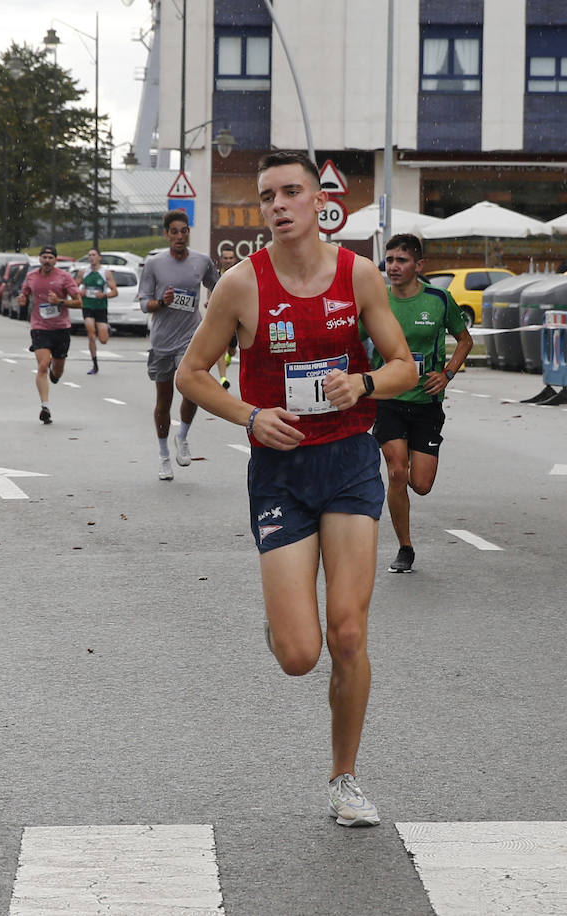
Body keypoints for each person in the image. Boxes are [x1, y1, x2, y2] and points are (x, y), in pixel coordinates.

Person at [176, 151, 417, 828]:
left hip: (346, 463)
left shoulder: (359, 275)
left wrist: (363, 384)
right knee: (300, 654)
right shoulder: (241, 285)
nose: (277, 205)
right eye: (266, 196)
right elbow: (191, 375)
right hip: (280, 473)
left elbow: (402, 364)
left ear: (319, 204)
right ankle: (284, 627)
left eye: (290, 192)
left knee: (347, 633)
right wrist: (251, 416)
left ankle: (344, 779)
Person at [370, 234, 473, 574]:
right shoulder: (376, 300)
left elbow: (464, 340)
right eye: (390, 260)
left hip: (426, 401)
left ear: (419, 265)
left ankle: (410, 483)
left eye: (401, 260)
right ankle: (405, 547)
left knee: (422, 484)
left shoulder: (439, 299)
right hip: (388, 400)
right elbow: (351, 339)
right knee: (397, 471)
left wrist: (447, 374)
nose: (393, 266)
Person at [137, 210, 220, 480]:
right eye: (174, 231)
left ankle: (182, 436)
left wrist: (213, 301)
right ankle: (163, 457)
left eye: (184, 231)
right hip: (162, 341)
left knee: (192, 391)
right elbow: (143, 304)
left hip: (191, 338)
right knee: (164, 401)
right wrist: (162, 301)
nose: (180, 236)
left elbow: (217, 286)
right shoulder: (154, 264)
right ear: (166, 234)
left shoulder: (201, 261)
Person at [17, 245, 82, 424]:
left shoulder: (64, 277)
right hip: (40, 327)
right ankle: (45, 406)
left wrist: (59, 301)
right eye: (44, 257)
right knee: (43, 365)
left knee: (57, 369)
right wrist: (22, 300)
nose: (47, 260)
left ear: (55, 260)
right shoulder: (31, 277)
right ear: (39, 259)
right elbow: (24, 294)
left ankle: (56, 374)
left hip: (61, 328)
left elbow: (79, 302)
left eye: (50, 258)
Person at [76, 249, 118, 375]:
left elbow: (115, 292)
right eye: (89, 255)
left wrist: (104, 295)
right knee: (91, 335)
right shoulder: (83, 272)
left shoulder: (106, 273)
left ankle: (106, 329)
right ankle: (95, 365)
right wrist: (80, 292)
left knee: (103, 340)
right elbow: (73, 287)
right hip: (87, 306)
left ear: (99, 257)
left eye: (94, 255)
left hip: (101, 307)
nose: (91, 257)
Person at [213, 241, 241, 390]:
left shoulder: (241, 275)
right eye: (226, 258)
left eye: (231, 258)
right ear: (221, 259)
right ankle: (223, 378)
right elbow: (211, 294)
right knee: (220, 349)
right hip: (221, 319)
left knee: (232, 349)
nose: (228, 260)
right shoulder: (216, 276)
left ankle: (229, 358)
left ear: (235, 259)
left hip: (237, 319)